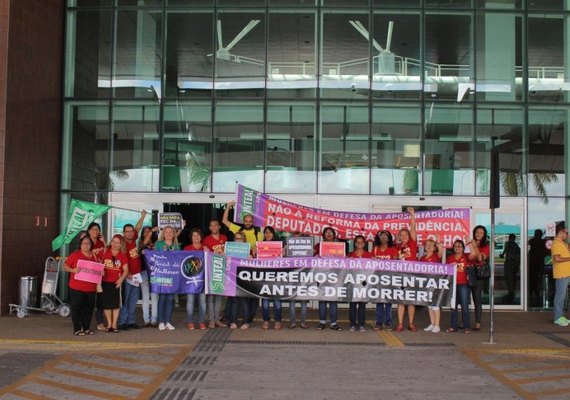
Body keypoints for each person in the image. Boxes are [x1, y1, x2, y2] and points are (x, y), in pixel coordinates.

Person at [63, 235, 99, 336]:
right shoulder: (75, 255)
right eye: (84, 243)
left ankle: (86, 327)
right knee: (77, 307)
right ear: (80, 245)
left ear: (91, 245)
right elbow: (65, 266)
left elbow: (98, 268)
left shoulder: (94, 256)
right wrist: (73, 270)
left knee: (89, 308)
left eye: (88, 243)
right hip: (76, 287)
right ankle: (77, 328)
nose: (86, 245)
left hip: (91, 288)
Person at [118, 210, 147, 330]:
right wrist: (127, 273)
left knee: (134, 300)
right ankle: (122, 322)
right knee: (126, 300)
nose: (130, 233)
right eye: (127, 231)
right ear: (123, 233)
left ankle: (131, 321)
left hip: (136, 276)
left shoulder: (133, 239)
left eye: (131, 231)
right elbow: (119, 261)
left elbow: (138, 228)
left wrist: (142, 217)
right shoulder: (121, 244)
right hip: (127, 276)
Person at [395, 207, 418, 332]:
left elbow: (413, 228)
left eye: (405, 234)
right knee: (400, 300)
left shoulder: (413, 243)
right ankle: (399, 324)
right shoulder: (397, 247)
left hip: (412, 274)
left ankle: (411, 323)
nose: (404, 236)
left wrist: (412, 215)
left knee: (411, 300)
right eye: (401, 235)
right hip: (401, 275)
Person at [203, 219, 228, 329]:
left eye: (215, 225)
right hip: (211, 270)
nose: (213, 227)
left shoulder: (224, 238)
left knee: (219, 296)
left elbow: (228, 253)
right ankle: (211, 320)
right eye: (211, 226)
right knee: (210, 297)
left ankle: (217, 319)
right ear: (209, 228)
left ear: (219, 227)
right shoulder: (206, 239)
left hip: (222, 270)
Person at [101, 234, 129, 333]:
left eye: (117, 243)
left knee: (116, 304)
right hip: (105, 281)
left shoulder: (122, 255)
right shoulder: (105, 252)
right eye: (113, 241)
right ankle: (109, 324)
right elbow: (99, 264)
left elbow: (126, 270)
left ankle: (114, 324)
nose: (115, 244)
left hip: (116, 282)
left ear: (121, 244)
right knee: (107, 304)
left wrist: (121, 279)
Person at [315, 226, 342, 331]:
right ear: (323, 235)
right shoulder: (318, 246)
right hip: (321, 276)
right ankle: (322, 322)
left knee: (333, 300)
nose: (329, 234)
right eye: (327, 233)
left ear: (334, 235)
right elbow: (312, 258)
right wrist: (316, 256)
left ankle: (333, 323)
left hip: (334, 276)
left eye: (331, 232)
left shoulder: (339, 246)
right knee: (322, 300)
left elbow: (343, 260)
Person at [154, 225, 180, 331]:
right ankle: (161, 321)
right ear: (163, 234)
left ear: (174, 234)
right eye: (166, 232)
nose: (168, 234)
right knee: (162, 298)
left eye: (171, 232)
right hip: (162, 275)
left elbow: (180, 260)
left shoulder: (177, 246)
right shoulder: (159, 244)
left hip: (172, 276)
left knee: (170, 299)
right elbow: (153, 258)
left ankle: (168, 321)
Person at [372, 230, 398, 330]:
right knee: (379, 302)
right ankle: (378, 323)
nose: (383, 237)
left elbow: (395, 263)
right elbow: (371, 265)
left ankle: (388, 322)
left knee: (388, 302)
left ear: (389, 238)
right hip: (378, 279)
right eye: (381, 236)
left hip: (388, 279)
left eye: (385, 236)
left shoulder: (393, 249)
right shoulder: (375, 249)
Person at [183, 228, 208, 330]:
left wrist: (207, 252)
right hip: (190, 280)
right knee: (190, 301)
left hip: (202, 279)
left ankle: (201, 322)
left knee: (202, 301)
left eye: (198, 235)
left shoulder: (205, 248)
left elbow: (211, 261)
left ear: (201, 237)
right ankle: (190, 322)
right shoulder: (186, 249)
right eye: (194, 236)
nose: (196, 237)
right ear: (191, 237)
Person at [445, 240, 472, 334]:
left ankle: (466, 327)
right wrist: (450, 266)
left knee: (464, 306)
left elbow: (473, 255)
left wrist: (470, 243)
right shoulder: (450, 258)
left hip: (464, 284)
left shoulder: (466, 257)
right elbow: (445, 271)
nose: (457, 248)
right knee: (453, 306)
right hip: (453, 284)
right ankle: (453, 326)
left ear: (463, 248)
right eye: (456, 246)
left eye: (460, 246)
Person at [467, 225, 490, 331]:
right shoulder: (468, 242)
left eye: (481, 232)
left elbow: (480, 258)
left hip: (478, 274)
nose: (478, 234)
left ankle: (478, 322)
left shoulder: (486, 246)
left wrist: (473, 246)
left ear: (484, 234)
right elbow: (467, 256)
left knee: (477, 298)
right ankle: (465, 321)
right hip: (467, 271)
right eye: (477, 232)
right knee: (463, 298)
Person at [348, 235, 372, 332]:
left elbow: (374, 266)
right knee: (352, 305)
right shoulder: (350, 254)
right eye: (357, 242)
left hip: (363, 284)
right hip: (353, 284)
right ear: (354, 243)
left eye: (361, 242)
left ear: (364, 243)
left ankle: (361, 324)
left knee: (362, 305)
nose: (359, 244)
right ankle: (352, 324)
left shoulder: (368, 255)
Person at [261, 226, 283, 330]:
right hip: (264, 278)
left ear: (273, 234)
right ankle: (266, 320)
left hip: (276, 277)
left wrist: (283, 252)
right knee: (265, 303)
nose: (268, 234)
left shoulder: (278, 245)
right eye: (266, 232)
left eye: (270, 232)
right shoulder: (260, 246)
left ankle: (278, 321)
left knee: (277, 302)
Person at [420, 238, 444, 333]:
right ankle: (432, 323)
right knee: (429, 305)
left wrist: (438, 241)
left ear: (434, 248)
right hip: (426, 284)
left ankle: (437, 325)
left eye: (431, 245)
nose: (429, 246)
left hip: (435, 284)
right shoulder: (422, 258)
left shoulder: (436, 256)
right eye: (427, 244)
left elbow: (441, 251)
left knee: (435, 305)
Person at [86, 222, 106, 331]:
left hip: (98, 275)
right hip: (87, 275)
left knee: (100, 300)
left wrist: (104, 242)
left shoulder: (100, 243)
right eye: (93, 229)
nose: (95, 231)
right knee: (88, 300)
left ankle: (100, 322)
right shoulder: (85, 242)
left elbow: (106, 254)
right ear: (89, 231)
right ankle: (85, 323)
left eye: (97, 229)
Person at [229, 231, 251, 330]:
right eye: (237, 238)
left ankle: (246, 322)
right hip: (233, 277)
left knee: (244, 301)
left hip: (243, 278)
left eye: (240, 239)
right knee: (234, 301)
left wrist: (250, 258)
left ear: (244, 241)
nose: (238, 241)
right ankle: (233, 321)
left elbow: (252, 266)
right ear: (234, 240)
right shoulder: (229, 249)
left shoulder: (247, 251)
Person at [551, 221, 570, 327]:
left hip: (565, 273)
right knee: (560, 296)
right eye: (566, 233)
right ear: (561, 232)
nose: (567, 235)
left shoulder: (562, 243)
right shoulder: (557, 244)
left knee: (563, 296)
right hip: (561, 274)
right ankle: (557, 317)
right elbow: (557, 258)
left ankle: (560, 316)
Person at [139, 225, 157, 327]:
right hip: (144, 272)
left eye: (148, 231)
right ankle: (146, 319)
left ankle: (154, 319)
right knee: (145, 297)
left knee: (154, 296)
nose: (147, 233)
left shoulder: (157, 244)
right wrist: (152, 230)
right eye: (145, 231)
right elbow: (145, 243)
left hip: (155, 273)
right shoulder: (141, 244)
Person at [528, 229, 547, 304]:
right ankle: (537, 293)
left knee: (532, 278)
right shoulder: (543, 242)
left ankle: (531, 292)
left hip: (532, 262)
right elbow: (546, 251)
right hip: (540, 262)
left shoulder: (532, 241)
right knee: (538, 278)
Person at [501, 233, 520, 303]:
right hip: (514, 263)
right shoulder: (516, 246)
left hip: (510, 263)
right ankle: (511, 292)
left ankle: (510, 292)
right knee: (512, 278)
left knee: (509, 278)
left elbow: (505, 250)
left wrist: (502, 254)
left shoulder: (509, 244)